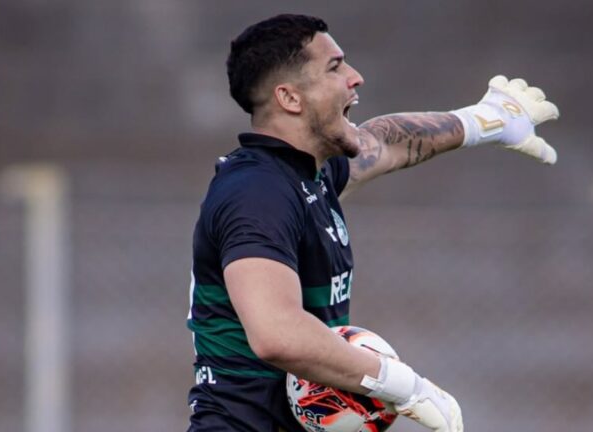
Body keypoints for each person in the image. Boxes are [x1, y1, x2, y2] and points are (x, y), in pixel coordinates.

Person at [187, 13, 559, 432]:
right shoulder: (257, 193)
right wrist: (405, 387)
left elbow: (384, 142)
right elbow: (277, 333)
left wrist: (486, 120)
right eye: (335, 67)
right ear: (290, 98)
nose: (355, 77)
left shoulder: (305, 176)